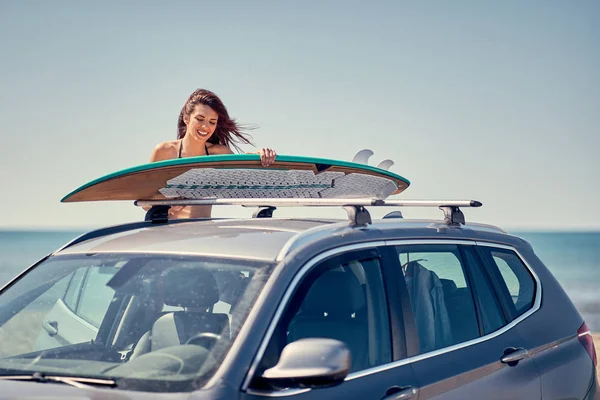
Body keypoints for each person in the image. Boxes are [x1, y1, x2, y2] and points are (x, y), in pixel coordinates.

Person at [150, 89, 276, 219]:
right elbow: (144, 201)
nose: (206, 126)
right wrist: (168, 204)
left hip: (204, 230)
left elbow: (245, 168)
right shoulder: (165, 151)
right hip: (167, 232)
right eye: (200, 119)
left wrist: (261, 155)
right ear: (186, 118)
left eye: (212, 122)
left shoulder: (218, 154)